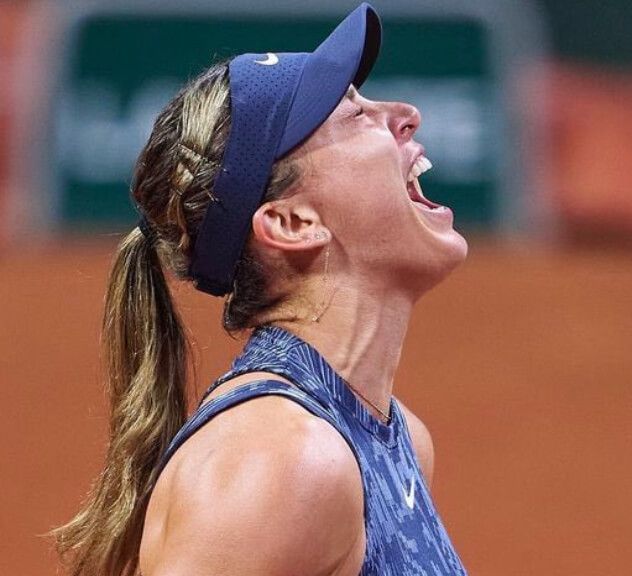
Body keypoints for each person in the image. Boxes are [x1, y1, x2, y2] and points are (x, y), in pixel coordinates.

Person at [52, 4, 469, 575]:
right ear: (292, 223)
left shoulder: (393, 440)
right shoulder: (280, 460)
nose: (406, 114)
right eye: (352, 115)